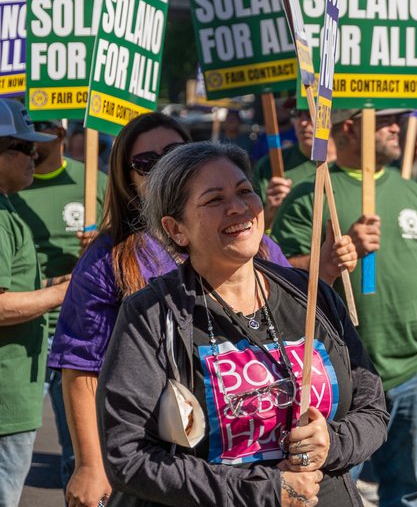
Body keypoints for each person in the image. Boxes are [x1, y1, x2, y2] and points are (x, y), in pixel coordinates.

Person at [50, 112, 320, 507]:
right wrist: (91, 464)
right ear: (127, 178)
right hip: (165, 460)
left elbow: (291, 322)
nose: (162, 165)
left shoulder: (255, 245)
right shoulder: (109, 258)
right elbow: (81, 367)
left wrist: (324, 269)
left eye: (174, 151)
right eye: (145, 162)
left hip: (257, 461)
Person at [98, 142, 388, 506]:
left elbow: (373, 409)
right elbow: (127, 457)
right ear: (176, 229)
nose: (238, 207)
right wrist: (263, 489)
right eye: (214, 199)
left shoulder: (312, 295)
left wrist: (331, 441)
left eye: (244, 191)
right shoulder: (151, 315)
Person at [272, 108, 417, 507]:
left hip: (411, 370)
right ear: (349, 127)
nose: (398, 128)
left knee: (405, 490)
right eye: (385, 121)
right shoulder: (312, 192)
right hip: (339, 377)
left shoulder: (414, 192)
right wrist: (341, 253)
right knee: (335, 491)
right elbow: (279, 275)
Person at [8, 118, 107, 489]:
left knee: (80, 455)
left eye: (43, 125)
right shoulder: (10, 187)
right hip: (20, 335)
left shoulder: (93, 182)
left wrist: (99, 246)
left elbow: (126, 244)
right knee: (11, 449)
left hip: (78, 336)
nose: (32, 136)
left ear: (62, 133)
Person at [0, 100, 69, 505]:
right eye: (26, 150)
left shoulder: (7, 206)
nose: (35, 158)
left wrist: (53, 283)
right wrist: (62, 293)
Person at [254, 101, 338, 229]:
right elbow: (252, 230)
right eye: (297, 114)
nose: (302, 123)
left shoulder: (353, 163)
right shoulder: (270, 166)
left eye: (311, 113)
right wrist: (271, 211)